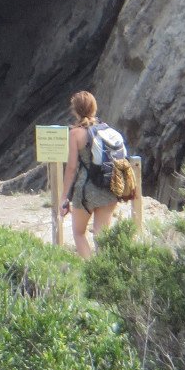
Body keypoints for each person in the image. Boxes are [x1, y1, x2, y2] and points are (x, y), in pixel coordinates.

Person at [60, 90, 118, 258]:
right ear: (94, 108)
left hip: (85, 190)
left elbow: (71, 168)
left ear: (75, 110)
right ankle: (104, 274)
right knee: (101, 236)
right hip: (108, 187)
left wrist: (64, 197)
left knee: (79, 233)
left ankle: (90, 270)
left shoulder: (75, 134)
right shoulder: (105, 129)